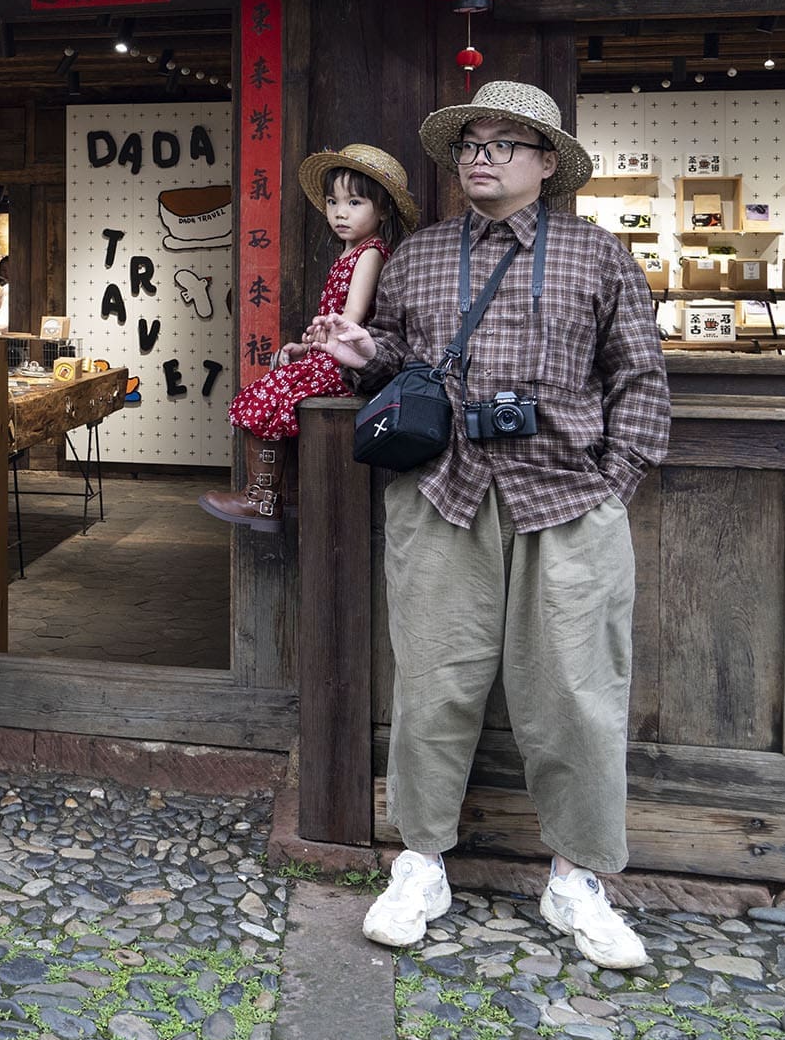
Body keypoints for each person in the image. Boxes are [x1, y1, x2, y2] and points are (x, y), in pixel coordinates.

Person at [315, 82, 670, 969]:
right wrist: (367, 354)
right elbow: (400, 362)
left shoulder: (598, 254)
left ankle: (577, 877)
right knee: (433, 684)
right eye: (472, 143)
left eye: (505, 143)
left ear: (547, 163)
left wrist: (614, 482)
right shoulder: (421, 254)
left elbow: (640, 379)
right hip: (444, 491)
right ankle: (421, 862)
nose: (482, 157)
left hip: (569, 499)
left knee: (578, 693)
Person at [200, 144, 418, 531]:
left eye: (354, 202)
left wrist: (321, 344)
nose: (340, 212)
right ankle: (265, 499)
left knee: (267, 394)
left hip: (348, 363)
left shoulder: (370, 253)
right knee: (265, 392)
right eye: (333, 202)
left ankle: (262, 499)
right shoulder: (348, 253)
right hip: (330, 354)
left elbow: (351, 321)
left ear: (383, 210)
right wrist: (305, 347)